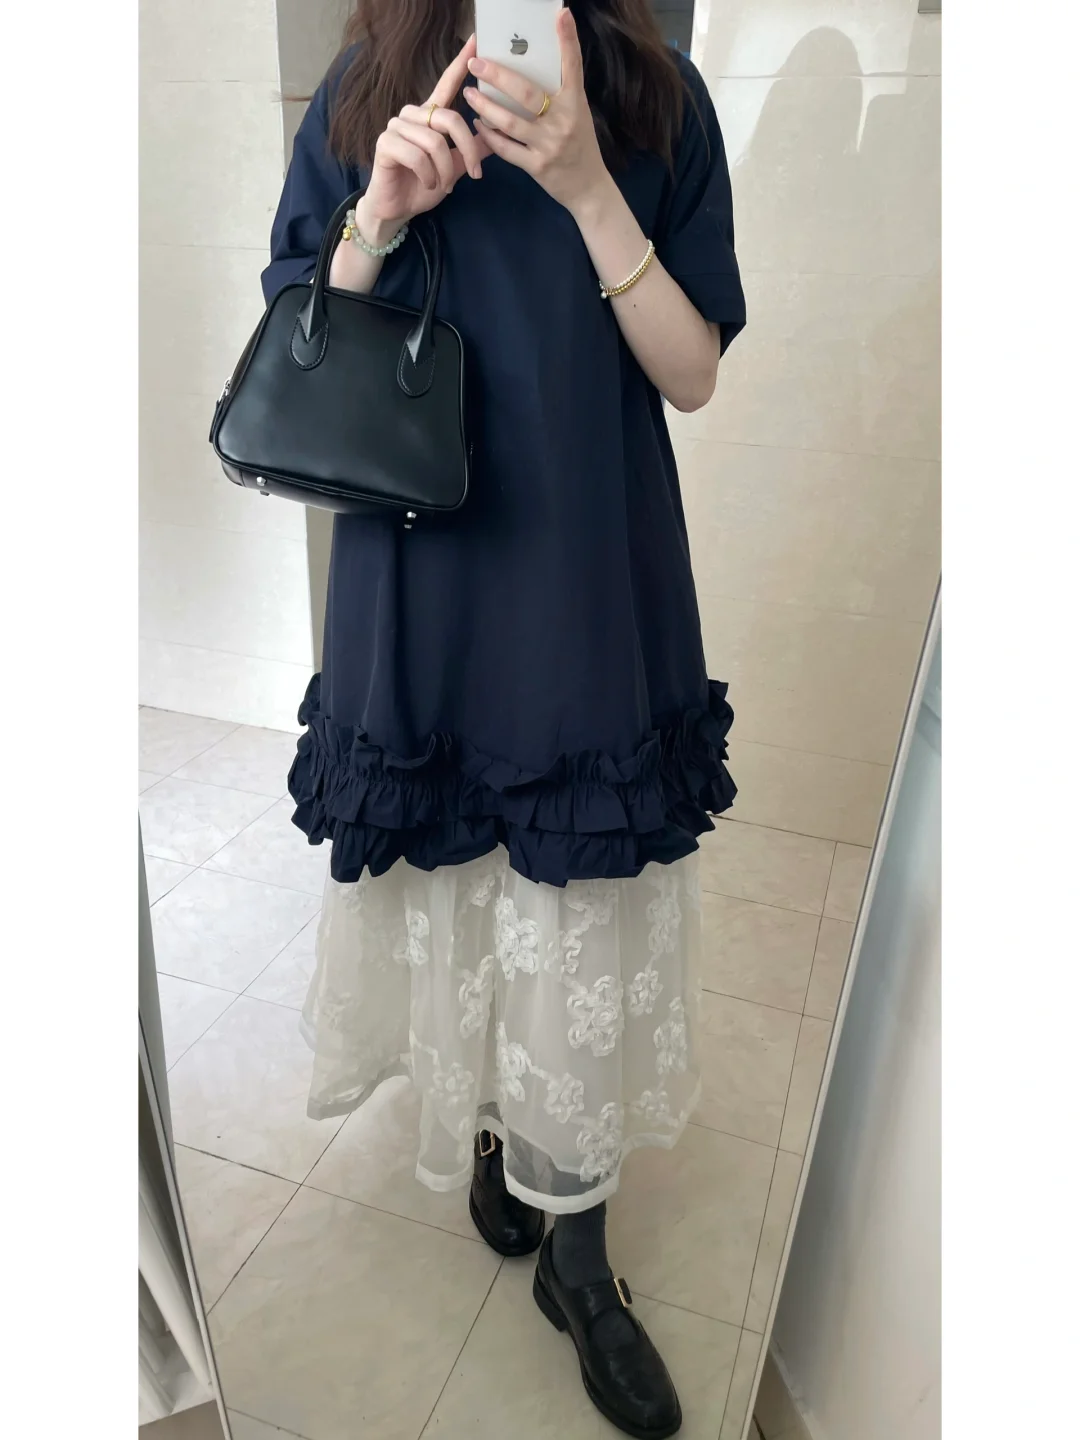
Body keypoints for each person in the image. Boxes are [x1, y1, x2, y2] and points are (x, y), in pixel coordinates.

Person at [262, 3, 744, 1434]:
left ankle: (580, 1264)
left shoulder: (658, 97)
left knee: (576, 903)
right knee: (458, 881)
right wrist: (378, 219)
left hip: (584, 578)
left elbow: (692, 371)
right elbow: (301, 329)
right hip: (419, 576)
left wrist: (588, 186)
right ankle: (495, 1130)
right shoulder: (367, 86)